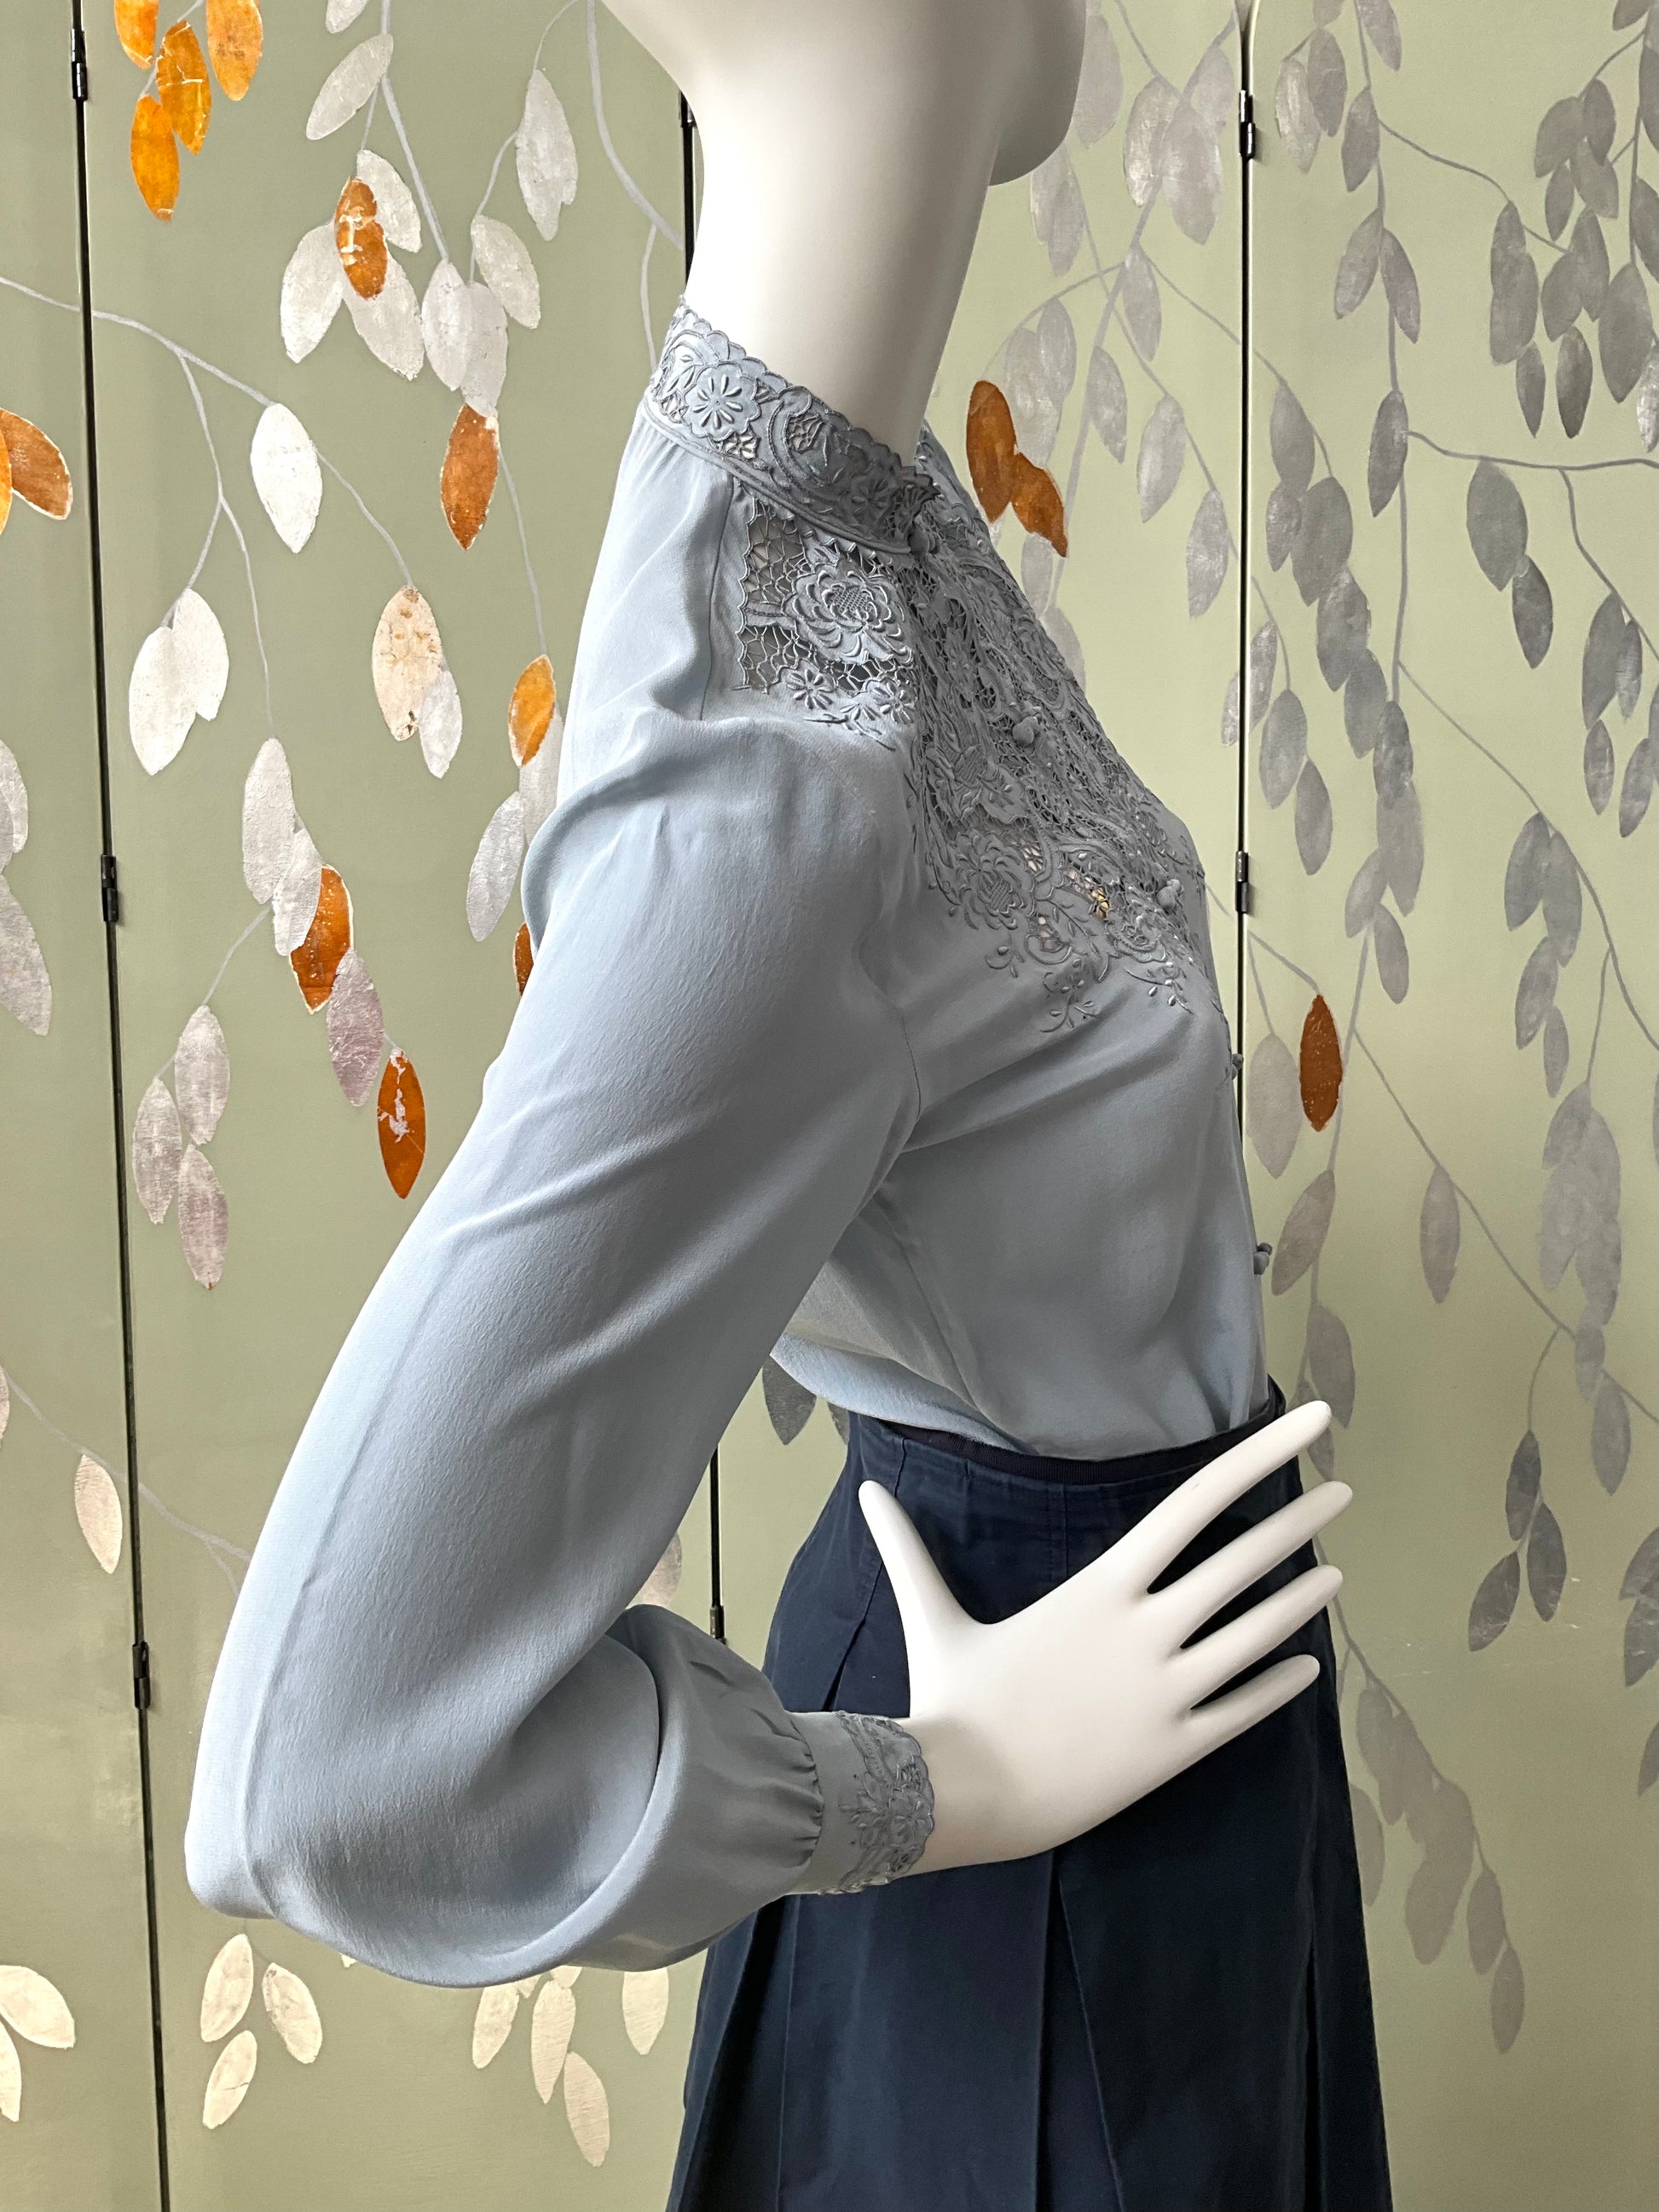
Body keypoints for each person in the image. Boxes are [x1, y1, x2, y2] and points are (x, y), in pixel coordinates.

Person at [187, 2, 1391, 2203]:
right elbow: (327, 1765)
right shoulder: (758, 767)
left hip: (1169, 1740)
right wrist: (950, 1786)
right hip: (1032, 1829)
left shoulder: (848, 515)